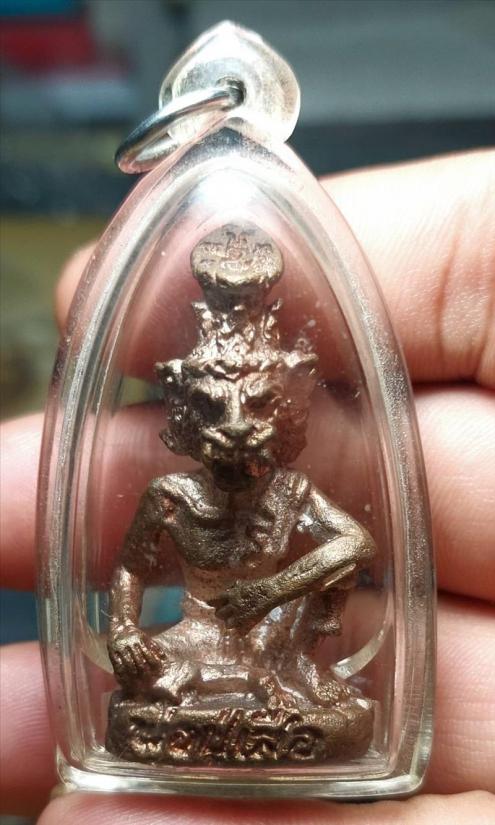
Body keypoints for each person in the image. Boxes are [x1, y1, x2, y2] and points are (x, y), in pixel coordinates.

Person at [1, 151, 494, 823]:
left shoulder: (290, 493)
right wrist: (123, 628)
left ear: (285, 411)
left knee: (310, 671)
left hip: (274, 635)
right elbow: (130, 570)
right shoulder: (170, 497)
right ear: (185, 416)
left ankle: (287, 682)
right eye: (214, 408)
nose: (234, 427)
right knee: (154, 684)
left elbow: (356, 543)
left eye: (256, 406)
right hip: (194, 636)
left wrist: (271, 590)